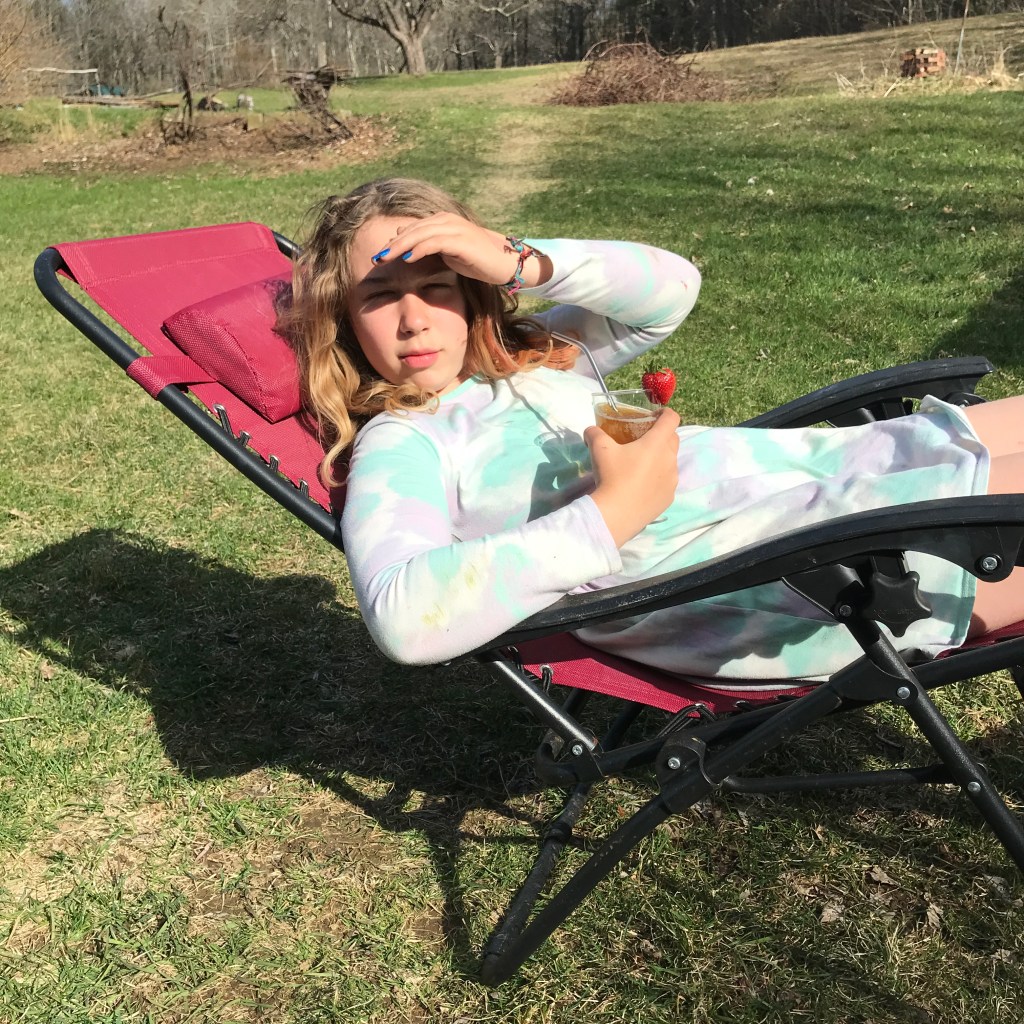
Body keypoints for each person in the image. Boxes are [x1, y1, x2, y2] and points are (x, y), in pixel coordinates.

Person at [285, 176, 1024, 684]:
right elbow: (405, 617)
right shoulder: (406, 439)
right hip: (800, 575)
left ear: (473, 289)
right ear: (343, 317)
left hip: (806, 476)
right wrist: (613, 514)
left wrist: (518, 260)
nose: (414, 320)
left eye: (437, 285)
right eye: (380, 296)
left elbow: (673, 288)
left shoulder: (533, 358)